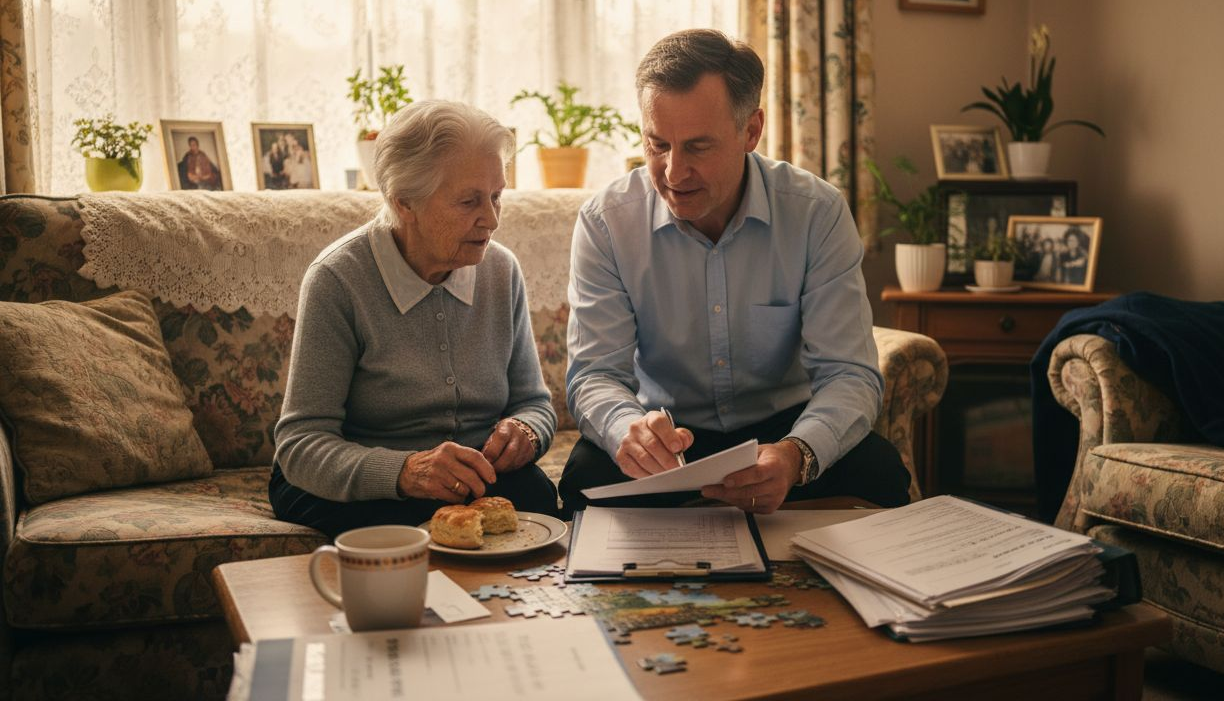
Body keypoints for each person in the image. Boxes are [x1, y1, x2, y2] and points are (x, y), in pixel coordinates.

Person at [559, 29, 911, 517]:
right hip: (668, 435)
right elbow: (595, 373)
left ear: (751, 130)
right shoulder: (607, 221)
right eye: (657, 144)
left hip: (785, 429)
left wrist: (797, 456)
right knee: (584, 478)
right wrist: (628, 431)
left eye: (698, 147)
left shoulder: (816, 212)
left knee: (883, 474)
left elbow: (849, 372)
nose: (673, 172)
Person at [270, 100, 559, 538]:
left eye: (497, 196)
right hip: (370, 484)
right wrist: (406, 472)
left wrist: (526, 431)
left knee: (539, 500)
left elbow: (534, 403)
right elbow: (301, 445)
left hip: (474, 479)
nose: (492, 219)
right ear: (404, 203)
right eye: (469, 201)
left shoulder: (501, 270)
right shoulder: (338, 280)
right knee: (408, 525)